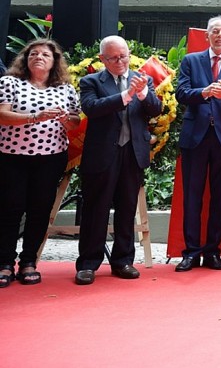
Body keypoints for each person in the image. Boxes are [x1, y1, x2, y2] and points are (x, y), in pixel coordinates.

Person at [74, 36, 162, 285]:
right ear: (103, 59)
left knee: (126, 209)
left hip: (133, 153)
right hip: (103, 153)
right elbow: (91, 107)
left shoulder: (142, 78)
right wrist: (126, 94)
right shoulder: (92, 81)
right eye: (113, 57)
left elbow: (156, 110)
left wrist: (143, 92)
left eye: (123, 56)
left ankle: (123, 261)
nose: (120, 61)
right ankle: (88, 264)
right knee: (96, 210)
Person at [0, 40, 80, 287]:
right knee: (9, 209)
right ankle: (4, 263)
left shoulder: (65, 89)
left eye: (45, 54)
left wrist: (67, 121)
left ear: (54, 62)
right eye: (33, 53)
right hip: (12, 157)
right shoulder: (10, 82)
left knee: (40, 210)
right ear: (25, 59)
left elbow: (76, 121)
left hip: (50, 158)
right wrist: (35, 117)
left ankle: (28, 262)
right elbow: (2, 115)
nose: (38, 57)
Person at [174, 15, 221, 272]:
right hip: (195, 137)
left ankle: (213, 251)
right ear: (207, 36)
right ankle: (191, 252)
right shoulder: (191, 61)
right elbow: (181, 93)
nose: (219, 36)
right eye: (214, 31)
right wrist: (204, 92)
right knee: (192, 197)